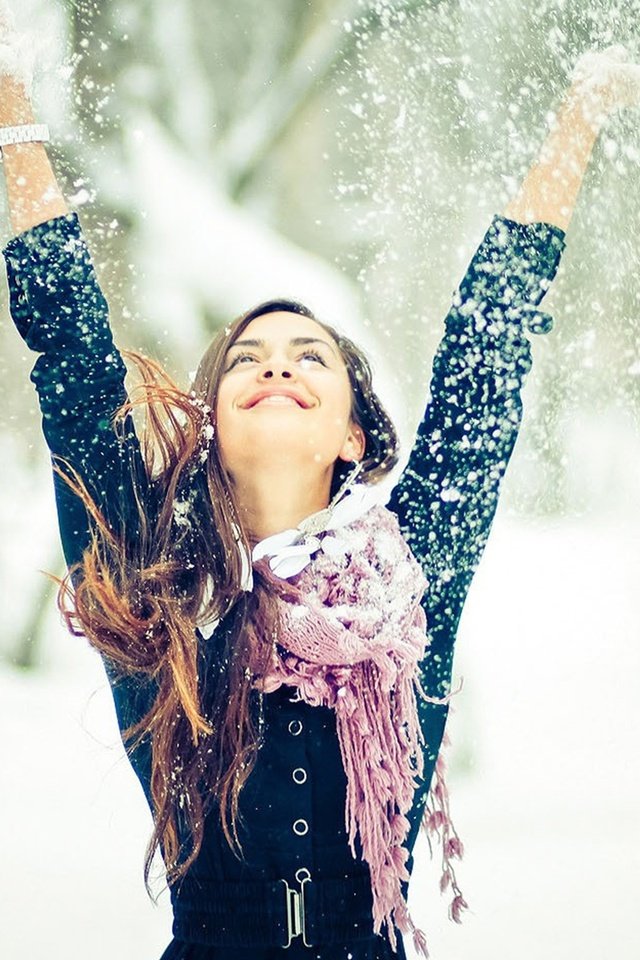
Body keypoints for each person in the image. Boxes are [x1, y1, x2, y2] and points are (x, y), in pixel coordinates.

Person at [2, 0, 639, 952]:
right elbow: (71, 352)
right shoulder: (156, 578)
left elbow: (486, 349)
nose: (277, 366)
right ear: (212, 419)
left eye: (310, 357)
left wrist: (580, 116)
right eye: (249, 357)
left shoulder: (410, 574)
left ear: (352, 431)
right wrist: (11, 101)